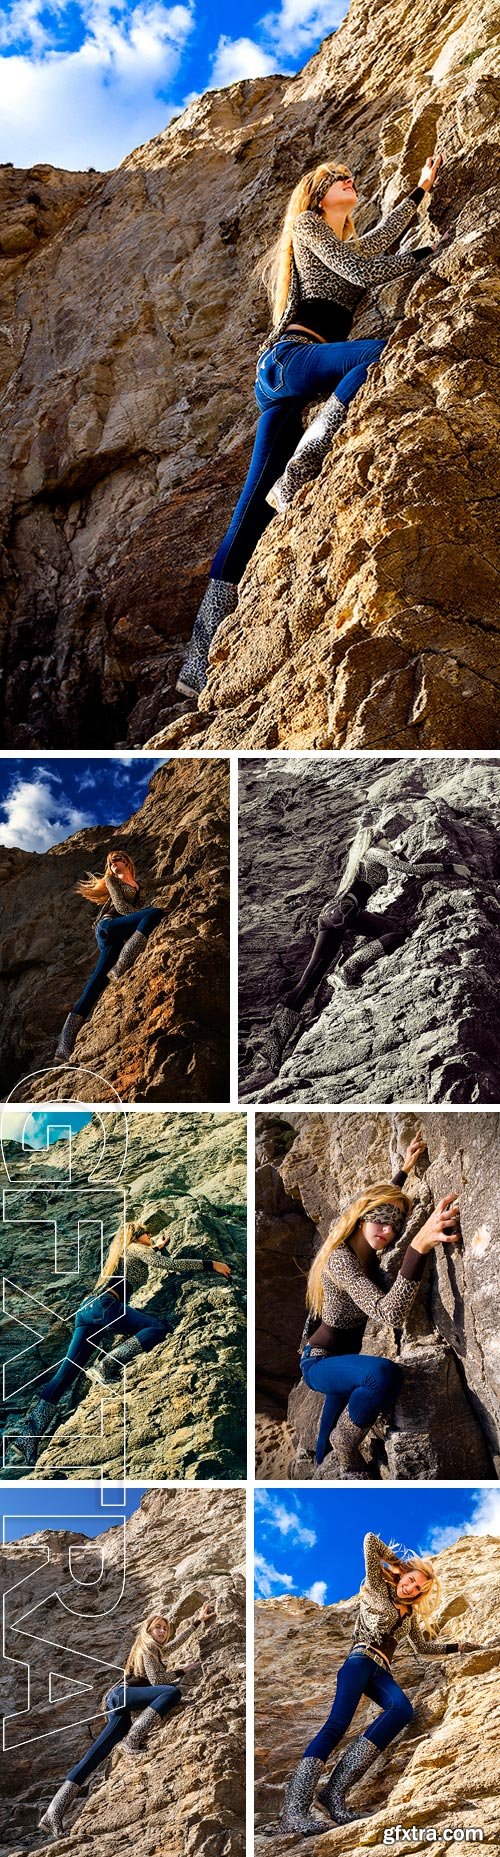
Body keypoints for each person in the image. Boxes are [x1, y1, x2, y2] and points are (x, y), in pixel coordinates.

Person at [177, 153, 446, 697]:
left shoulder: (341, 243)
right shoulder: (305, 226)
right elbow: (368, 271)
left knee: (251, 512)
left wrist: (420, 195)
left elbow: (375, 247)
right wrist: (434, 254)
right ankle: (311, 453)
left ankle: (196, 662)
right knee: (377, 352)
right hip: (288, 361)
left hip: (290, 379)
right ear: (318, 194)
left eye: (351, 177)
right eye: (338, 179)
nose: (351, 182)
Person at [282, 1532, 495, 1833]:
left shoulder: (409, 1618)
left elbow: (423, 1648)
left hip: (381, 1671)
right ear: (403, 1576)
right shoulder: (377, 1587)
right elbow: (370, 1540)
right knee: (336, 1726)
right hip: (358, 1662)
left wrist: (458, 1647)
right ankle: (293, 1812)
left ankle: (333, 1794)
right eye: (410, 1580)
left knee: (401, 1710)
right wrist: (397, 1567)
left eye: (418, 1587)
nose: (411, 1588)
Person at [248, 819, 465, 1080]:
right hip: (346, 911)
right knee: (396, 933)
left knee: (308, 982)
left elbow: (398, 861)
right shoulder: (373, 852)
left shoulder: (360, 860)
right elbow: (409, 869)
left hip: (330, 914)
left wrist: (396, 851)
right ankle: (348, 970)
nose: (389, 842)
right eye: (385, 838)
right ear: (376, 840)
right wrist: (450, 866)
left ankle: (271, 1049)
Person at [298, 1130, 461, 1473]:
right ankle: (346, 1449)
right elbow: (390, 1313)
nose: (388, 1231)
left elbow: (381, 1205)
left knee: (319, 1447)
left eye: (396, 1225)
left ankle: (323, 1458)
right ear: (361, 1216)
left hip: (344, 1360)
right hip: (320, 1362)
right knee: (381, 1376)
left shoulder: (368, 1247)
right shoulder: (340, 1260)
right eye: (382, 1220)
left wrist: (404, 1169)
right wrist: (417, 1247)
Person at [15, 1219, 231, 1467]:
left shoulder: (125, 1253)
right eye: (149, 1234)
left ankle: (27, 1437)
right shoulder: (136, 1248)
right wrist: (211, 1264)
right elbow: (167, 1265)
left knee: (65, 1375)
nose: (152, 1236)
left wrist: (157, 1247)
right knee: (157, 1327)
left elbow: (146, 1261)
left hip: (88, 1310)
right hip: (106, 1307)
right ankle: (107, 1365)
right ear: (139, 1236)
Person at [38, 1605, 215, 1838]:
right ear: (148, 1631)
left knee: (96, 1754)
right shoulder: (145, 1648)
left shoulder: (156, 1649)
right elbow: (157, 1680)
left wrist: (197, 1621)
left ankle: (53, 1812)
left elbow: (174, 1645)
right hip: (122, 1695)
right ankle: (132, 1740)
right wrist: (182, 1671)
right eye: (157, 1628)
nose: (162, 1632)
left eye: (165, 1628)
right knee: (171, 1693)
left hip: (120, 1703)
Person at [54, 850, 165, 1063]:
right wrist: (143, 914)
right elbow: (122, 907)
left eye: (117, 859)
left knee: (95, 985)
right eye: (110, 861)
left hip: (118, 937)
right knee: (153, 913)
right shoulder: (111, 881)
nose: (113, 863)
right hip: (109, 926)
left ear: (127, 861)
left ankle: (63, 1045)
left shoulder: (141, 884)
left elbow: (170, 878)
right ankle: (122, 965)